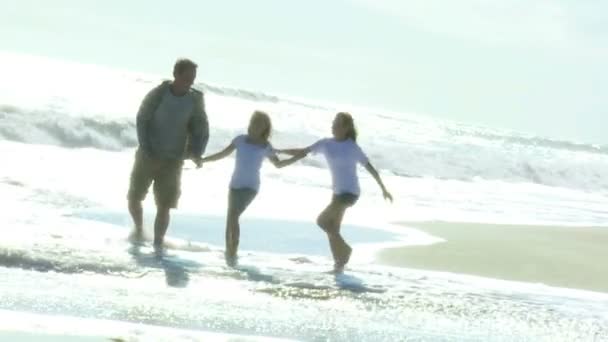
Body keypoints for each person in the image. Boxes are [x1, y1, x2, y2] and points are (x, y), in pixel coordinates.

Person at [279, 112, 393, 272]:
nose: (333, 126)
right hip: (337, 193)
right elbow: (302, 152)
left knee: (322, 221)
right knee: (333, 229)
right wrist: (279, 151)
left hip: (350, 193)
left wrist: (383, 189)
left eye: (337, 123)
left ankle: (345, 250)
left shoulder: (352, 147)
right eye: (333, 122)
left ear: (346, 128)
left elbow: (371, 168)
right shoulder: (325, 144)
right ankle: (339, 265)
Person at [201, 111, 305, 266]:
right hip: (235, 184)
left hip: (251, 187)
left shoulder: (266, 146)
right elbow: (222, 154)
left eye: (259, 123)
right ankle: (228, 252)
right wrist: (204, 160)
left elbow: (278, 164)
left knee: (234, 216)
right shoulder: (240, 140)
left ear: (265, 128)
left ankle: (232, 254)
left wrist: (296, 158)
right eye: (254, 122)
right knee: (230, 218)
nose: (255, 125)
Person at [127, 58, 209, 249]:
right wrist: (146, 147)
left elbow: (201, 128)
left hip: (173, 161)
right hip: (148, 155)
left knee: (164, 206)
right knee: (134, 199)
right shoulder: (158, 94)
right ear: (176, 75)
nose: (190, 82)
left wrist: (197, 152)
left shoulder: (195, 100)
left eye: (193, 78)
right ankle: (139, 229)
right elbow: (142, 119)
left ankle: (158, 244)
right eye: (187, 77)